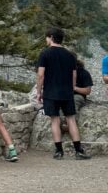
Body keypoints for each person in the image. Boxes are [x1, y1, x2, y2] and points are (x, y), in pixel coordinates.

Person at [36, 28, 91, 159]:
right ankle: (78, 151)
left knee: (55, 120)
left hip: (51, 92)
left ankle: (59, 151)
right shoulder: (70, 55)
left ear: (51, 37)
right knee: (71, 120)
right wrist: (71, 88)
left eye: (47, 37)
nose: (46, 40)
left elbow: (40, 75)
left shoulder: (45, 54)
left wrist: (39, 92)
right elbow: (74, 75)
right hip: (67, 93)